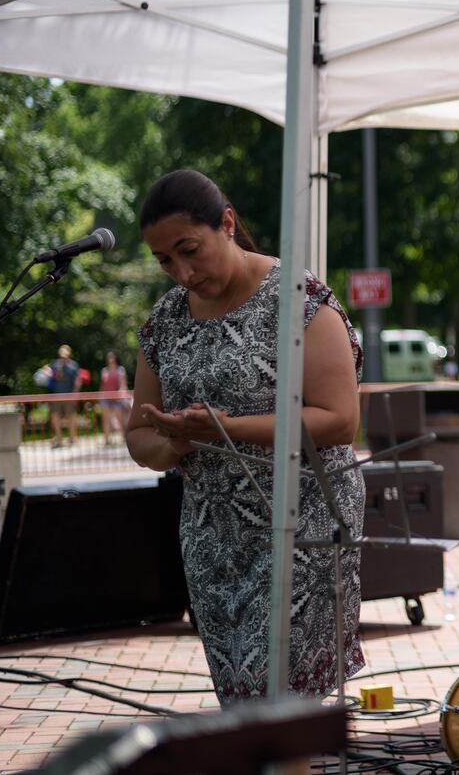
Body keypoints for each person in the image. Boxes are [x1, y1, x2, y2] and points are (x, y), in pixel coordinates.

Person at [127, 169, 365, 704]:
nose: (182, 272)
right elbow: (140, 435)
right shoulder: (164, 321)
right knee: (244, 704)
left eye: (190, 250)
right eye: (165, 261)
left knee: (281, 707)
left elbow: (338, 419)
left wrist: (227, 431)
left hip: (302, 527)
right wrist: (178, 443)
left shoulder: (300, 300)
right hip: (214, 541)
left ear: (226, 224)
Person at [47, 344, 81, 447]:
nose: (63, 357)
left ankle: (72, 438)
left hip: (69, 396)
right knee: (55, 416)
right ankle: (59, 438)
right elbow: (52, 378)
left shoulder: (73, 366)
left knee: (70, 416)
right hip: (57, 395)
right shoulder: (55, 365)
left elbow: (77, 381)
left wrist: (75, 395)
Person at [98, 350, 129, 443]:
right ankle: (107, 439)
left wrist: (119, 394)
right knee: (106, 418)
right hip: (106, 398)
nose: (110, 359)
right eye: (109, 357)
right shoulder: (104, 371)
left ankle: (124, 436)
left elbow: (123, 384)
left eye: (112, 357)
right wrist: (100, 395)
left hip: (117, 398)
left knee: (120, 417)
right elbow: (102, 385)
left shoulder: (120, 370)